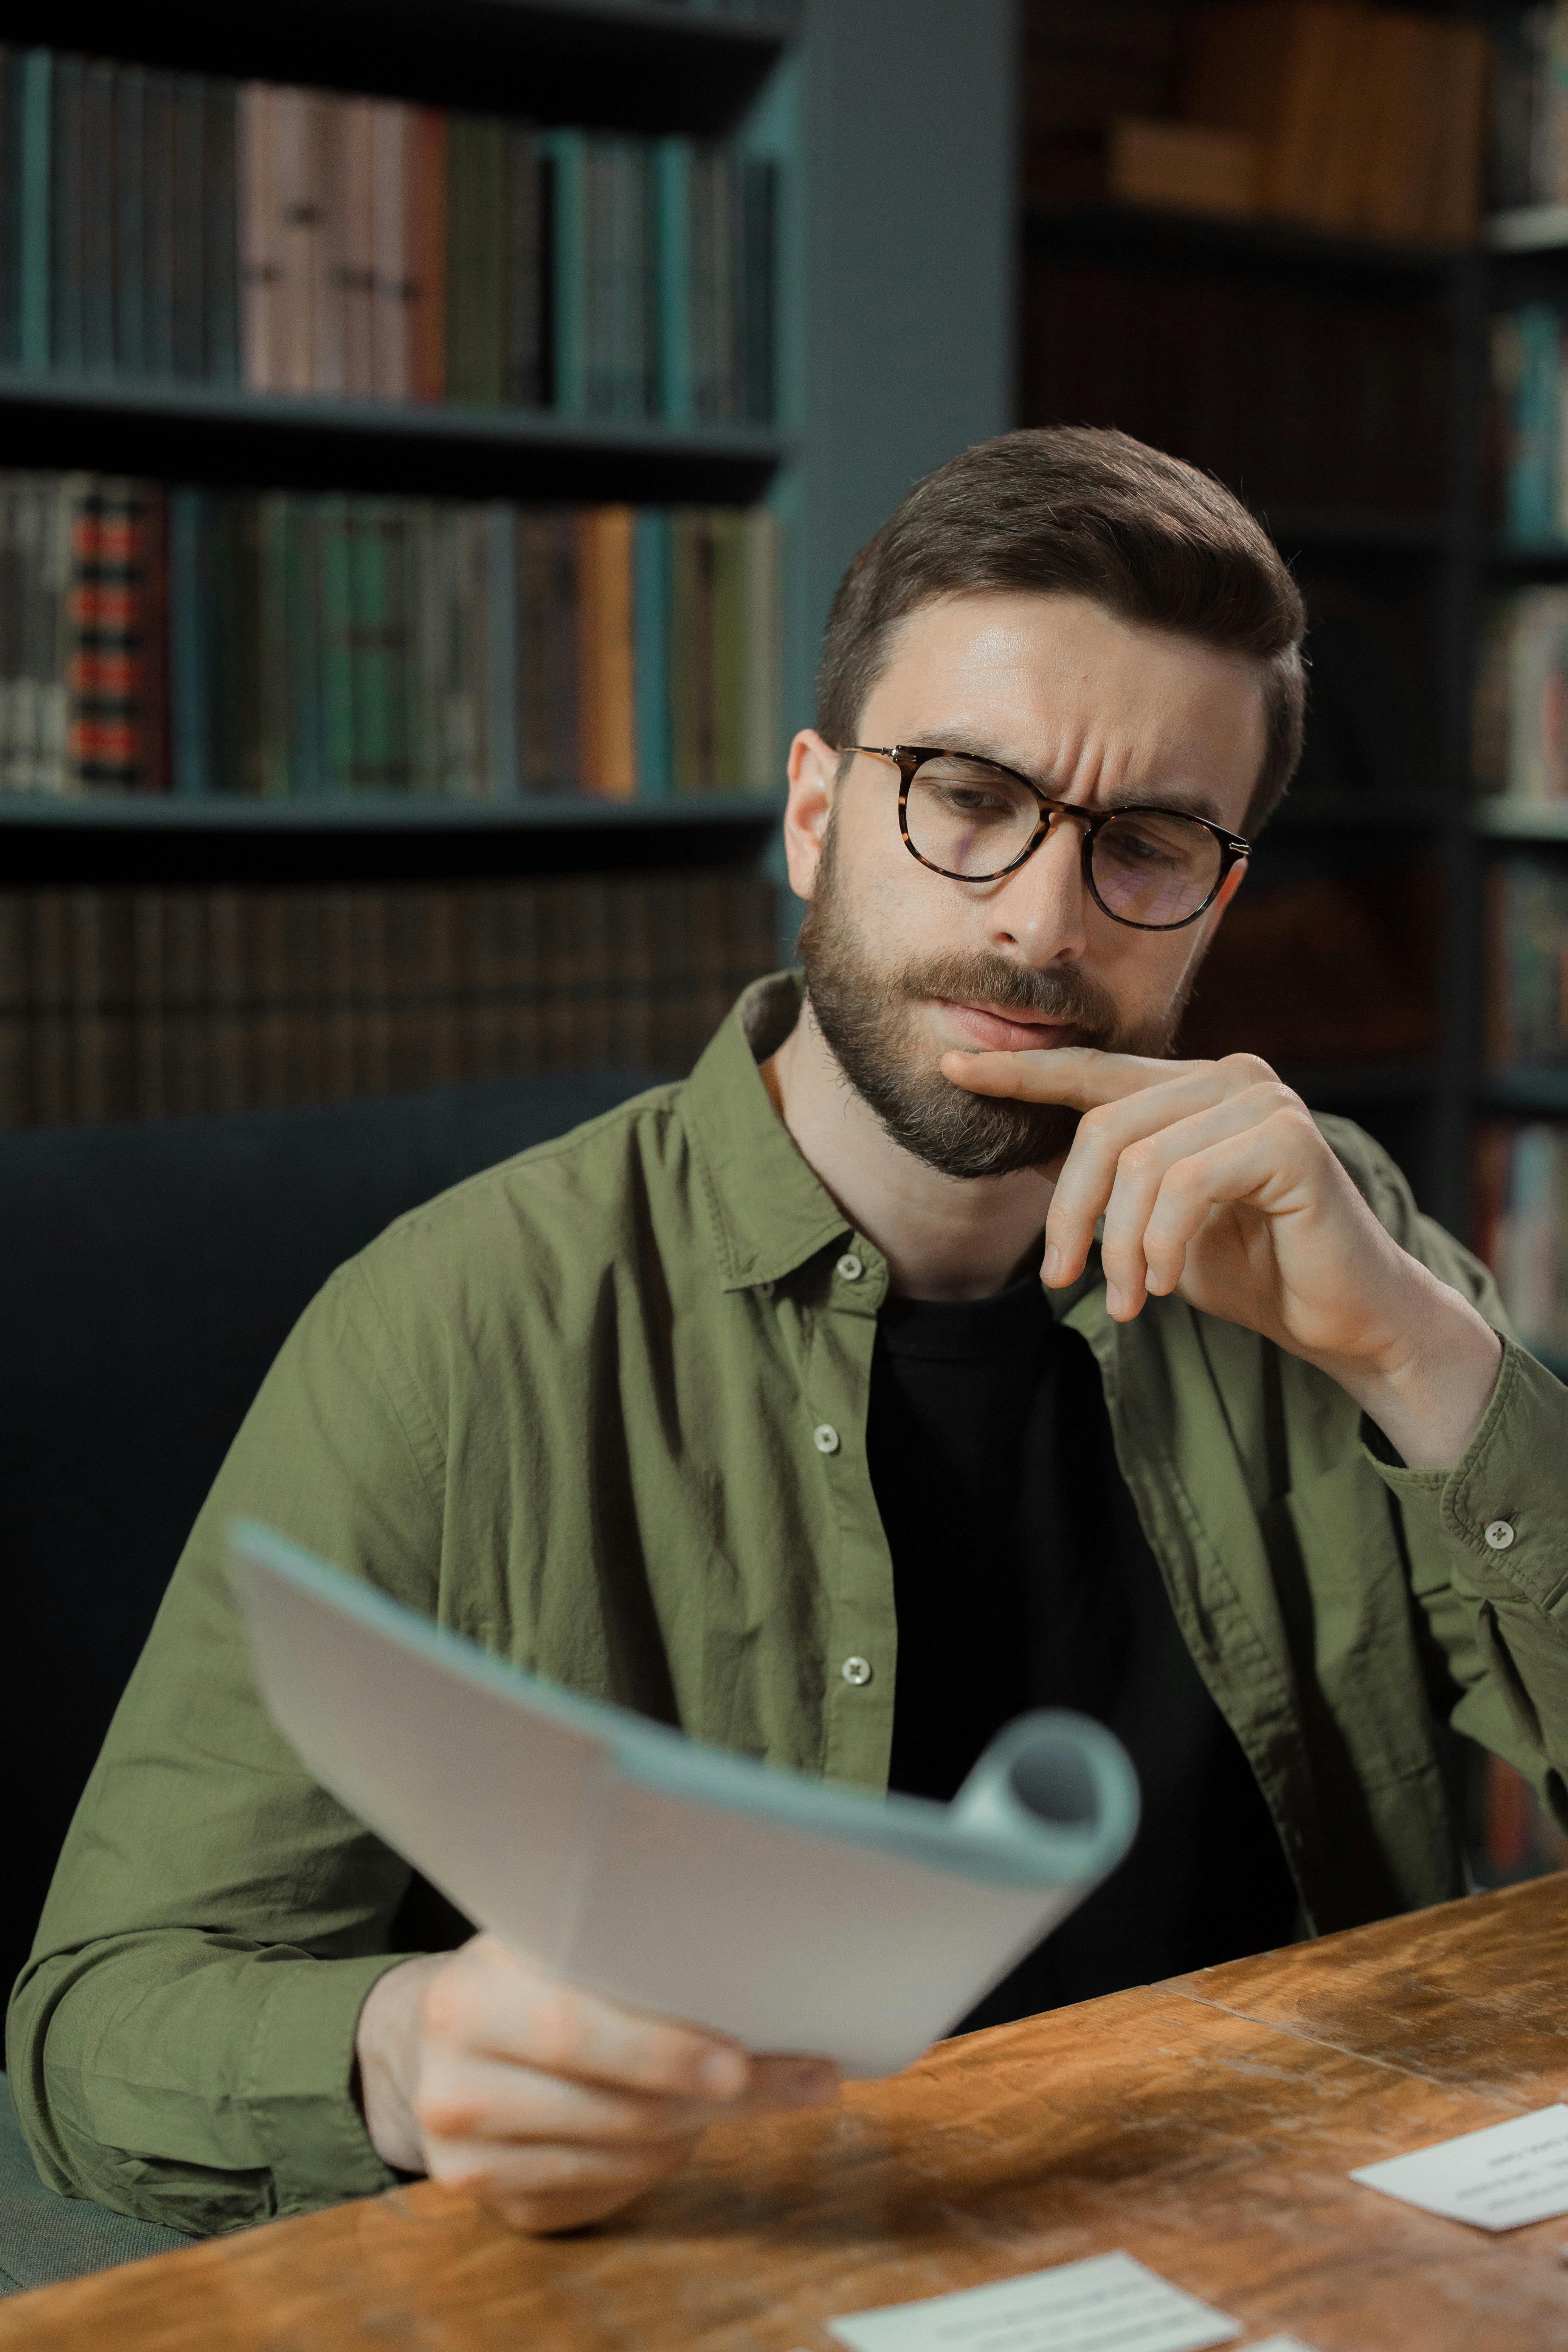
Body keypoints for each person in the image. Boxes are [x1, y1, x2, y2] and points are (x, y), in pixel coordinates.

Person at [10, 428, 1565, 2245]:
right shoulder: (452, 1327)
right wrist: (408, 2044)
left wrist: (1419, 1358)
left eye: (1140, 845)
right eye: (966, 798)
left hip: (1273, 2234)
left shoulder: (1335, 1228)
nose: (1036, 920)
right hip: (753, 2276)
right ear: (814, 811)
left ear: (1210, 904)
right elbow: (96, 2018)